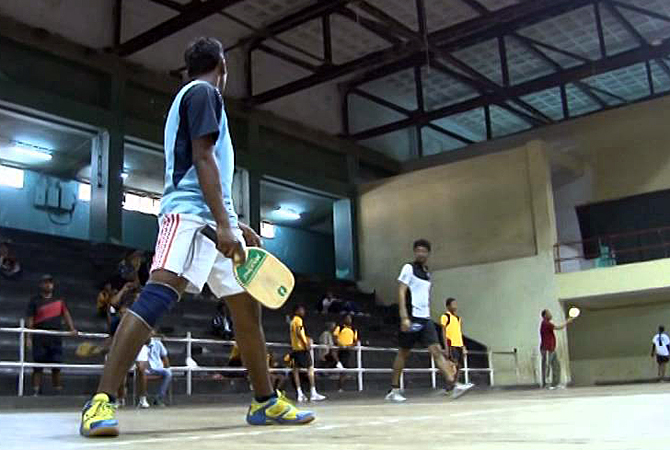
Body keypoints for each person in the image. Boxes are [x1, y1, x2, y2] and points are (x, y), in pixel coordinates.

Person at [80, 37, 314, 438]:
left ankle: (264, 401)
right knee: (157, 295)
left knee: (246, 311)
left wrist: (234, 222)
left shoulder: (197, 96)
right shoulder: (205, 93)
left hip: (213, 217)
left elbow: (211, 168)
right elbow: (202, 157)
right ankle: (100, 401)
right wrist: (223, 222)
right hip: (189, 216)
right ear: (222, 66)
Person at [385, 240, 465, 402]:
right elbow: (401, 291)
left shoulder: (427, 272)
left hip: (425, 318)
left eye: (424, 251)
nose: (421, 253)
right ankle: (394, 390)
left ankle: (453, 384)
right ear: (415, 252)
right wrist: (404, 316)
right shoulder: (408, 268)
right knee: (403, 353)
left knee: (436, 350)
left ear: (428, 254)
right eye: (418, 251)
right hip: (412, 317)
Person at [26, 274, 77, 396]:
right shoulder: (34, 301)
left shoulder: (59, 300)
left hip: (55, 338)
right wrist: (28, 337)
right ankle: (36, 392)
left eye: (50, 283)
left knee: (56, 366)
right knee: (38, 367)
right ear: (41, 285)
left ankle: (57, 391)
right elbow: (30, 319)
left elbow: (66, 314)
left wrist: (72, 329)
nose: (48, 285)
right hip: (40, 337)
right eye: (45, 282)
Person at [290, 305, 326, 402]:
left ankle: (300, 394)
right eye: (301, 310)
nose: (303, 311)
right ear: (297, 311)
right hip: (301, 348)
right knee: (310, 369)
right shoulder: (299, 320)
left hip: (295, 348)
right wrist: (306, 343)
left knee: (295, 371)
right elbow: (299, 333)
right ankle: (313, 393)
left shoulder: (292, 321)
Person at [440, 298, 473, 391]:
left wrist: (463, 346)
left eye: (456, 304)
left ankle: (453, 385)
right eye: (453, 304)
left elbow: (459, 333)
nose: (455, 306)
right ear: (448, 306)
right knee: (453, 365)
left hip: (459, 344)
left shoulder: (458, 318)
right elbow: (443, 332)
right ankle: (451, 385)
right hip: (451, 344)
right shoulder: (445, 317)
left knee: (459, 366)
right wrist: (446, 347)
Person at [540, 309, 574, 389]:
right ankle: (546, 384)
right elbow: (558, 327)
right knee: (547, 366)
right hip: (547, 348)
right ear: (545, 315)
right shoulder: (545, 323)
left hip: (552, 349)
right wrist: (567, 322)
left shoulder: (547, 323)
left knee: (556, 366)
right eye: (549, 313)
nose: (550, 314)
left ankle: (555, 384)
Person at [333, 314, 359, 392]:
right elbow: (335, 336)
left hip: (347, 350)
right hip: (339, 348)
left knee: (344, 369)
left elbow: (356, 341)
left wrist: (350, 346)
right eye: (347, 318)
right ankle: (337, 362)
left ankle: (340, 387)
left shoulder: (353, 330)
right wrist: (340, 344)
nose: (349, 320)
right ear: (344, 319)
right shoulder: (340, 327)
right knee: (333, 352)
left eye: (350, 319)